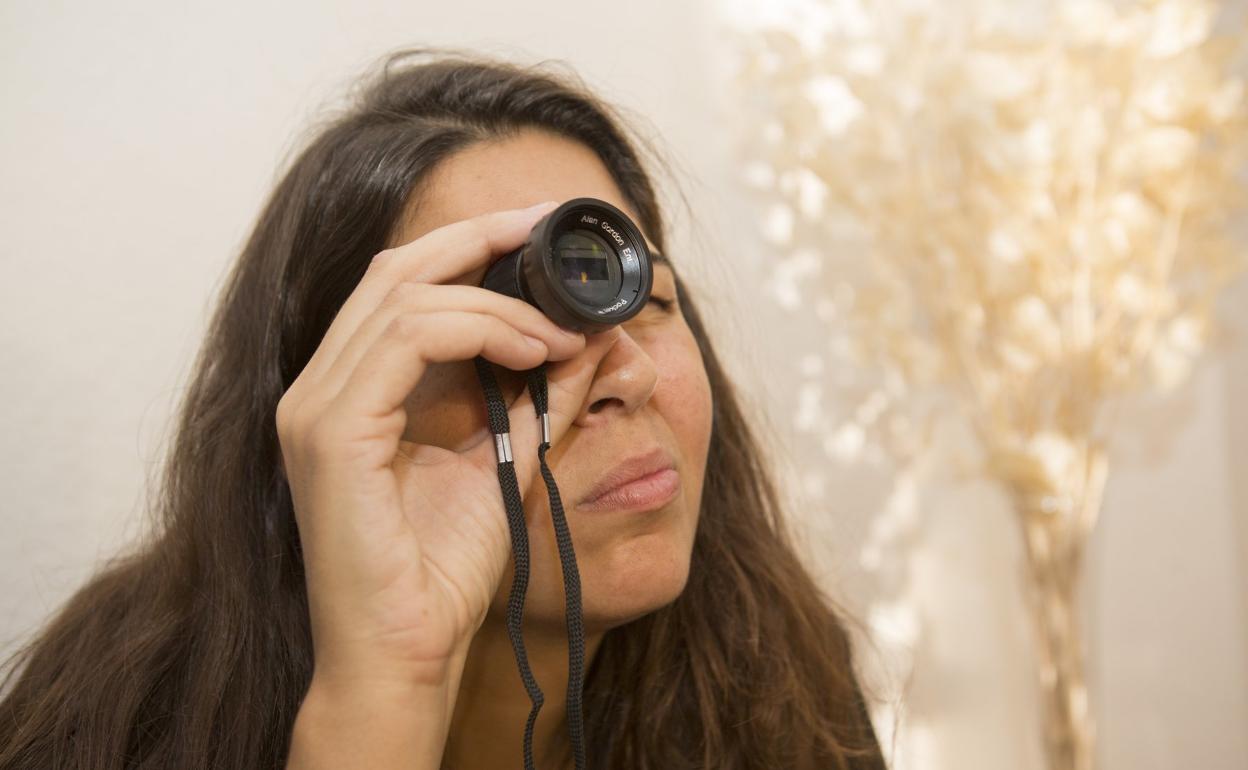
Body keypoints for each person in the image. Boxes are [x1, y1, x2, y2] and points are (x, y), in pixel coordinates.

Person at [0, 47, 887, 770]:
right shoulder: (107, 726)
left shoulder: (781, 685)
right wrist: (383, 689)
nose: (624, 377)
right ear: (335, 425)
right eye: (500, 337)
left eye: (647, 301)